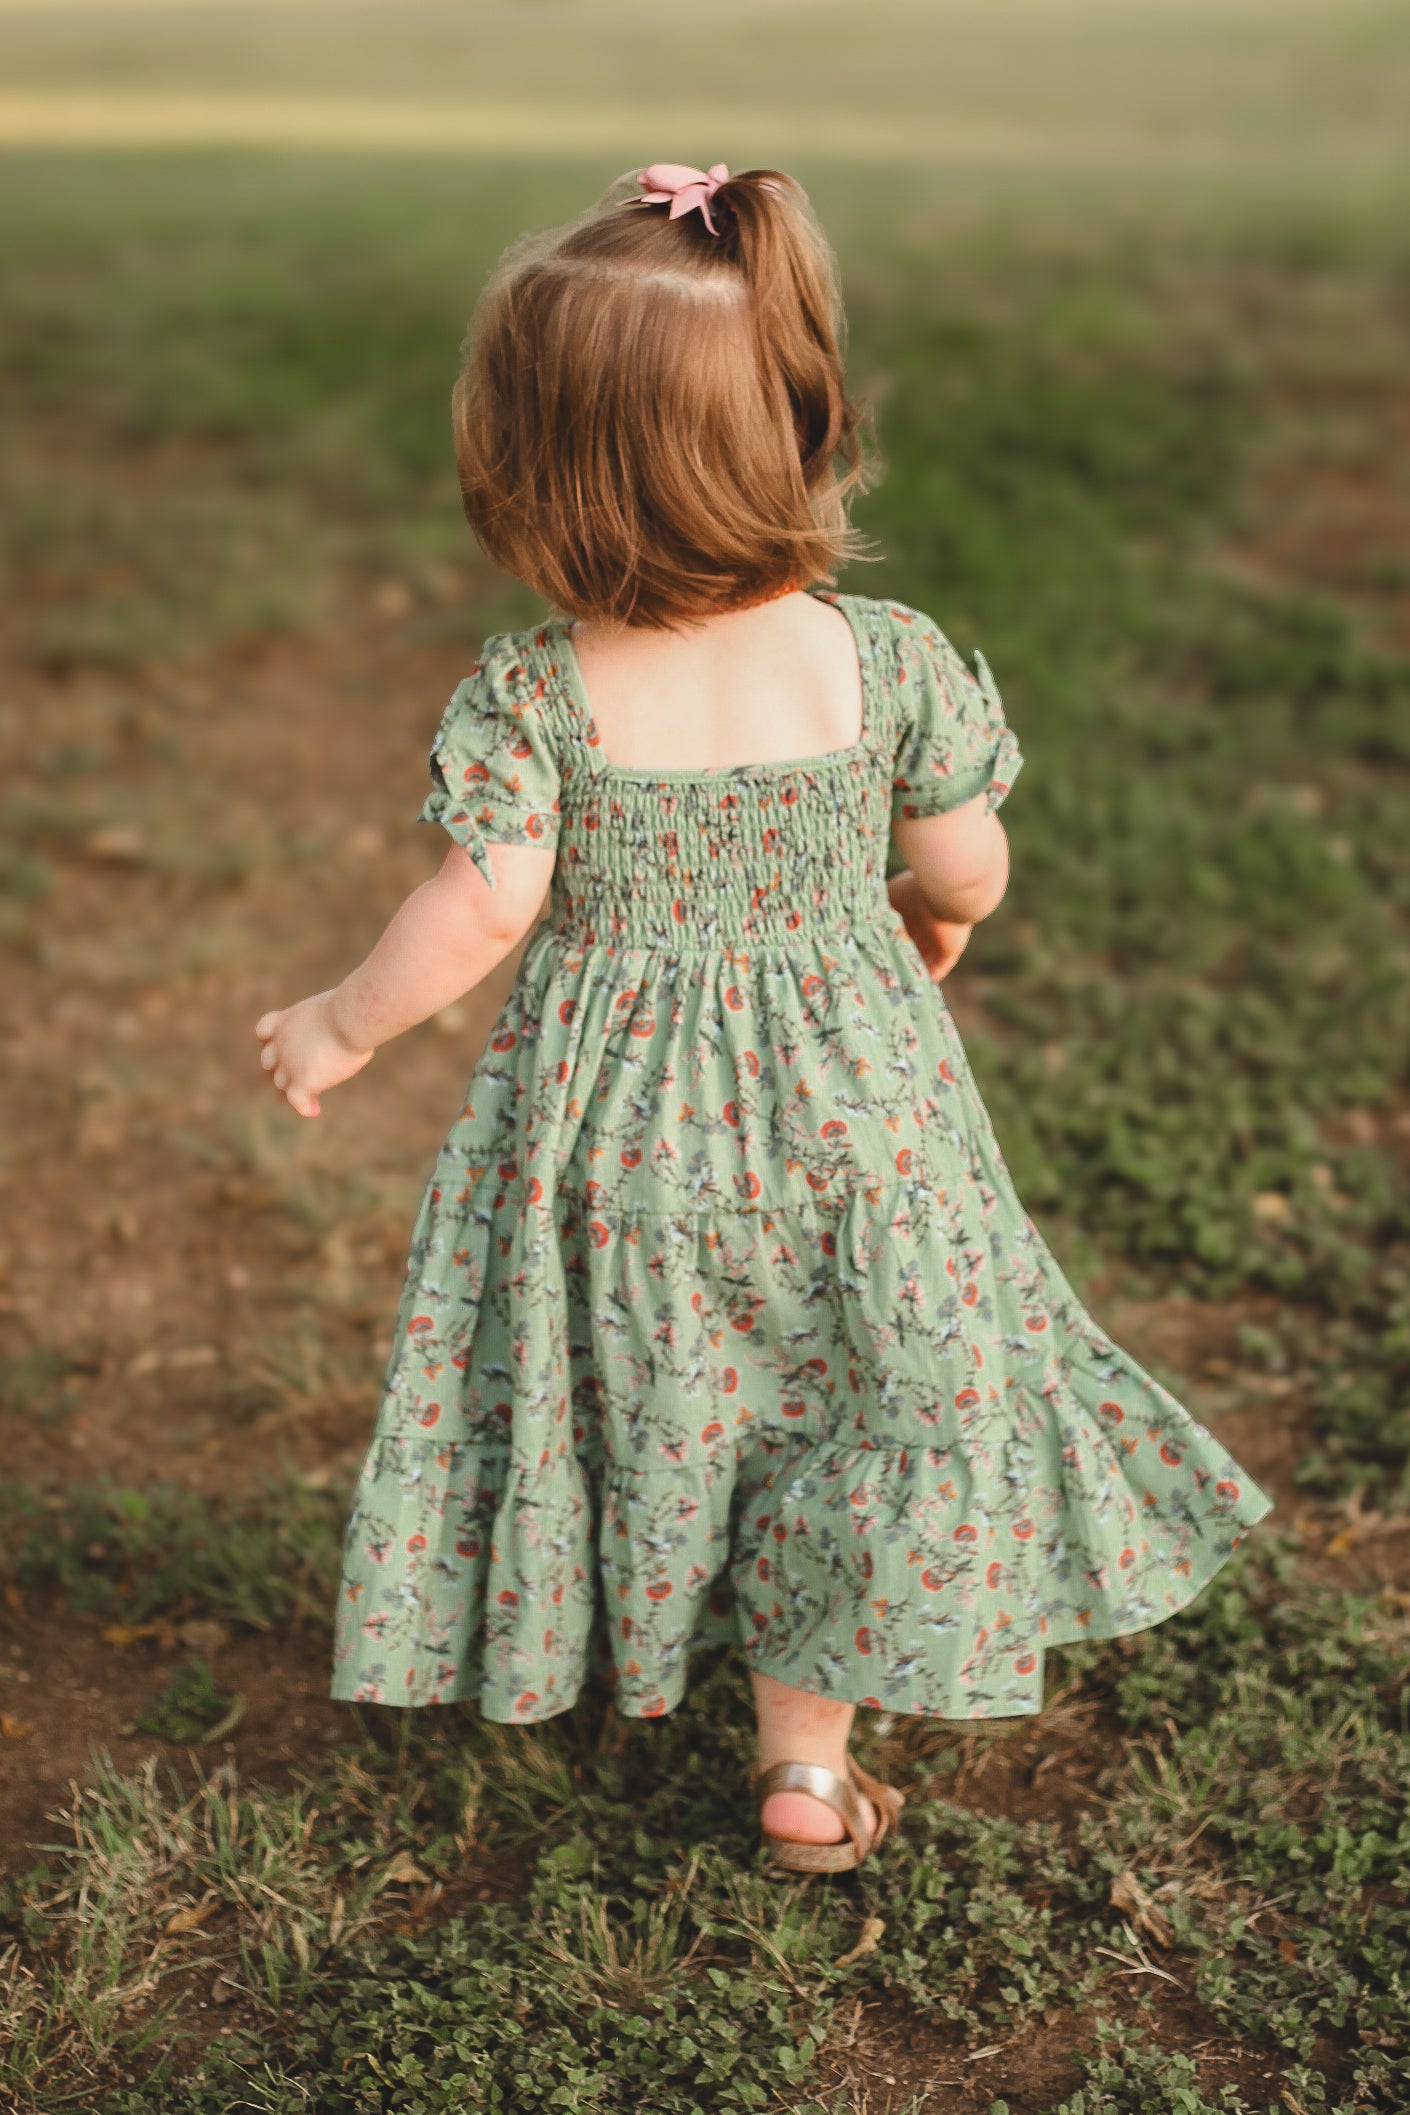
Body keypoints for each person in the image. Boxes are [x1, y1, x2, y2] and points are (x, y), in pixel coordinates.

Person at [255, 162, 1271, 1874]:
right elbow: (966, 856)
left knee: (680, 1393)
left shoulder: (537, 692)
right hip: (863, 1131)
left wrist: (342, 1026)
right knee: (867, 1405)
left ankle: (640, 1633)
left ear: (530, 468)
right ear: (804, 428)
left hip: (621, 1147)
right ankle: (804, 1765)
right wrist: (942, 911)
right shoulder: (883, 660)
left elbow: (481, 906)